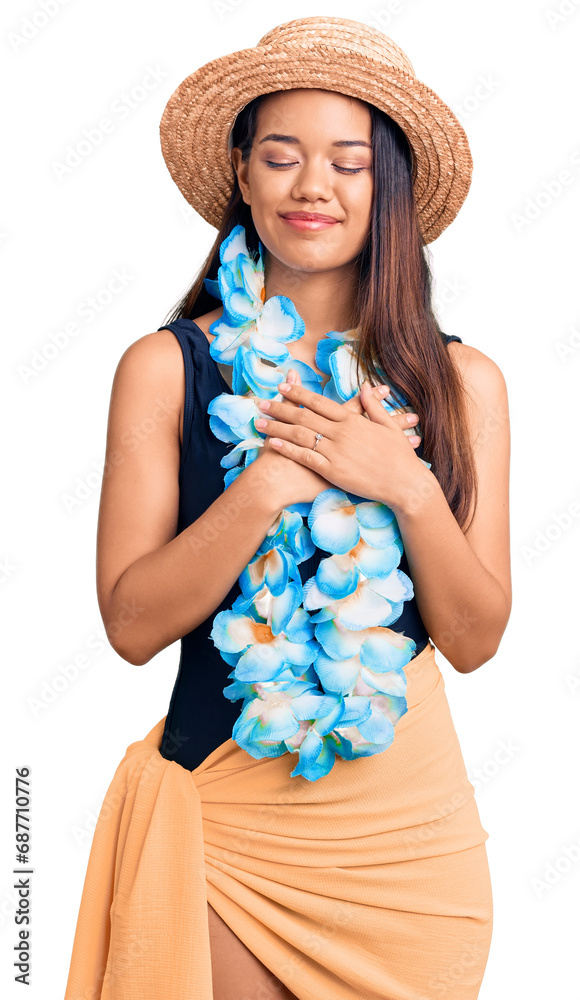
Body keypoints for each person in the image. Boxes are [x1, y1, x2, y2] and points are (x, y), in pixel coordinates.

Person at [63, 16, 511, 1000]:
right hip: (229, 822)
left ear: (384, 185)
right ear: (242, 171)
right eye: (282, 157)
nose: (314, 187)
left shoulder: (462, 383)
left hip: (407, 842)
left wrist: (401, 486)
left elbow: (476, 638)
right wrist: (269, 481)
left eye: (348, 163)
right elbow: (131, 625)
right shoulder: (165, 368)